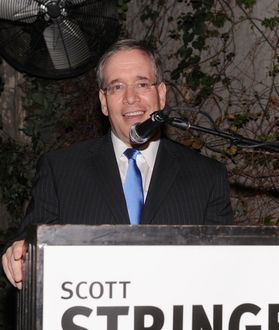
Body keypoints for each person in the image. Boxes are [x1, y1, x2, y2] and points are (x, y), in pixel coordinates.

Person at [1, 39, 233, 289]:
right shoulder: (60, 170)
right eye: (117, 87)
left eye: (142, 84)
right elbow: (29, 242)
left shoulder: (207, 176)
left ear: (161, 94)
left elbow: (227, 268)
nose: (131, 98)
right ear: (103, 101)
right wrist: (20, 252)